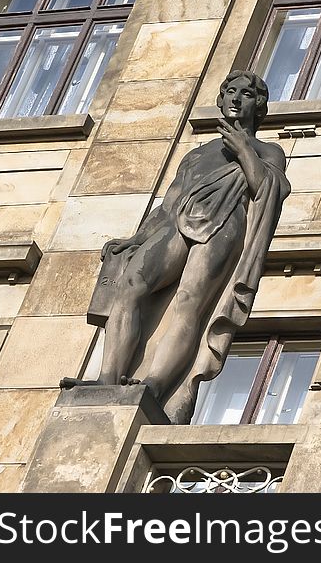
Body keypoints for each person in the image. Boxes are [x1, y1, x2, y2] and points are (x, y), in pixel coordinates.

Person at [72, 70, 290, 424]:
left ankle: (154, 387)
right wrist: (137, 238)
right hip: (178, 222)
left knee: (188, 304)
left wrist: (244, 151)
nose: (236, 98)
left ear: (259, 105)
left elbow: (269, 190)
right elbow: (170, 202)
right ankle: (107, 378)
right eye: (230, 92)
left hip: (225, 225)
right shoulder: (197, 154)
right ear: (220, 100)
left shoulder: (269, 150)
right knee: (130, 287)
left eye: (246, 94)